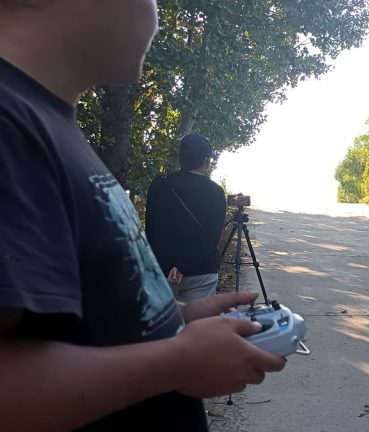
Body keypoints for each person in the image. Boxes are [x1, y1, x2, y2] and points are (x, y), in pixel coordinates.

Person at [0, 1, 285, 431]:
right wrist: (177, 359)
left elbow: (72, 320)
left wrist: (174, 318)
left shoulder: (46, 120)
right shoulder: (9, 123)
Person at [146, 134, 226, 303]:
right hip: (200, 272)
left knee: (163, 326)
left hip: (161, 270)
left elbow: (151, 231)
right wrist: (183, 266)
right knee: (198, 326)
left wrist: (170, 265)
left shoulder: (160, 184)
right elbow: (212, 238)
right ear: (206, 161)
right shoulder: (215, 193)